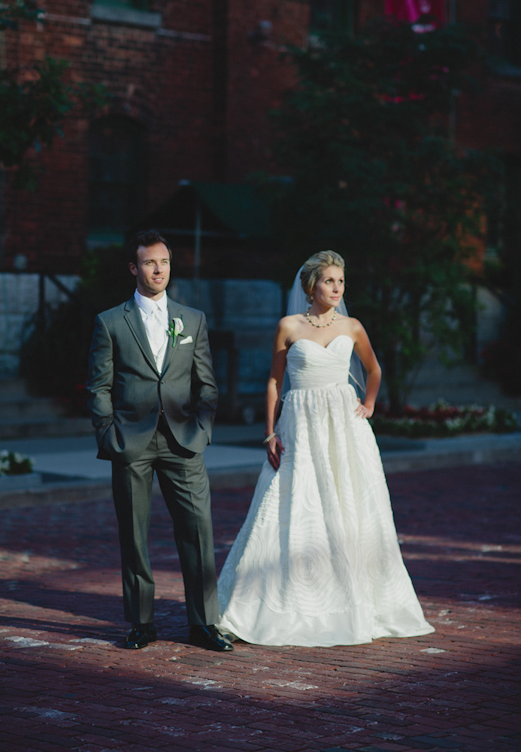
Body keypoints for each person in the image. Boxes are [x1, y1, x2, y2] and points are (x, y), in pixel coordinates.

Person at [218, 250, 434, 647]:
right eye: (329, 281)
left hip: (344, 429)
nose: (337, 288)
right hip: (299, 425)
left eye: (341, 282)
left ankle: (356, 597)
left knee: (349, 504)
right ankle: (273, 600)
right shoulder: (288, 325)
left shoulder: (352, 326)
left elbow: (374, 369)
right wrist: (269, 431)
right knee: (290, 504)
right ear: (310, 286)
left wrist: (368, 404)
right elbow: (273, 382)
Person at [86, 229, 233, 652]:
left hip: (185, 440)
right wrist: (107, 432)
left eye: (164, 262)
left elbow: (207, 384)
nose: (158, 270)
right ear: (134, 268)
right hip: (129, 441)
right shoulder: (110, 321)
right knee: (133, 534)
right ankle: (141, 622)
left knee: (198, 530)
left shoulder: (192, 320)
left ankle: (204, 623)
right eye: (150, 262)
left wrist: (202, 430)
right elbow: (98, 386)